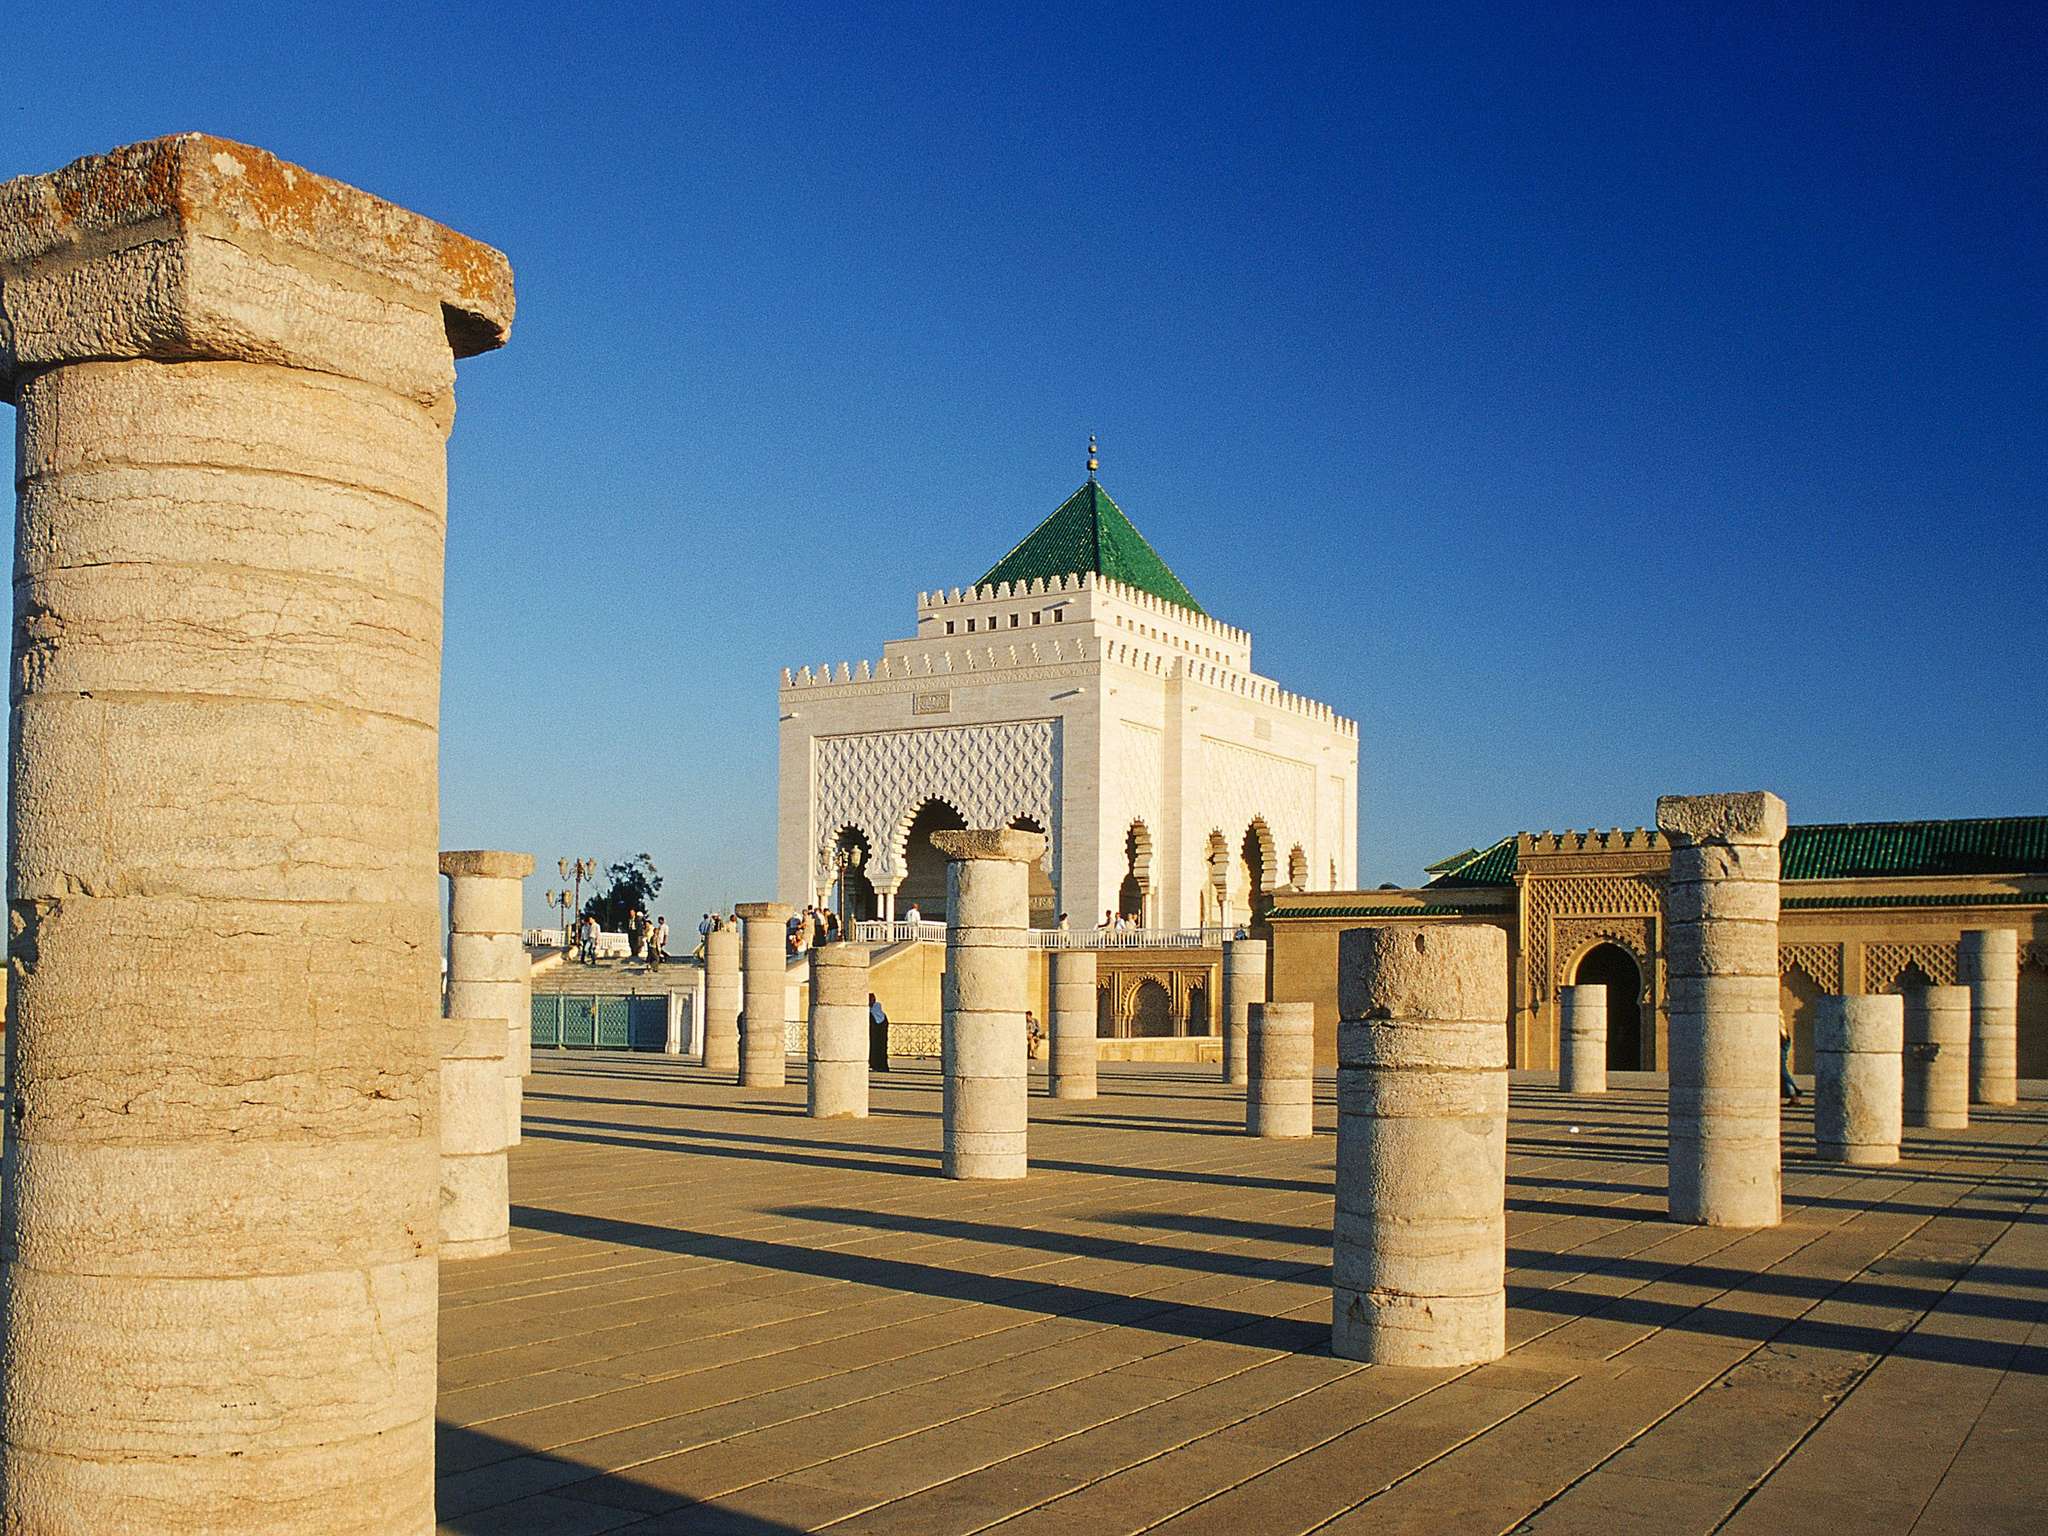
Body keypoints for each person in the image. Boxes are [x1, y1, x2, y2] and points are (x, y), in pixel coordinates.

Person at [868, 992, 890, 1072]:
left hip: (876, 1037)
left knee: (876, 1050)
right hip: (879, 1037)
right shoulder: (879, 1012)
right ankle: (879, 1066)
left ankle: (877, 1065)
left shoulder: (872, 1011)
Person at [1780, 1021, 1801, 1104]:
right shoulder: (1783, 1028)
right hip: (1782, 1050)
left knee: (1783, 1073)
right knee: (1783, 1074)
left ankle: (1794, 1093)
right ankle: (1793, 1096)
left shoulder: (1780, 1028)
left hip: (1780, 1051)